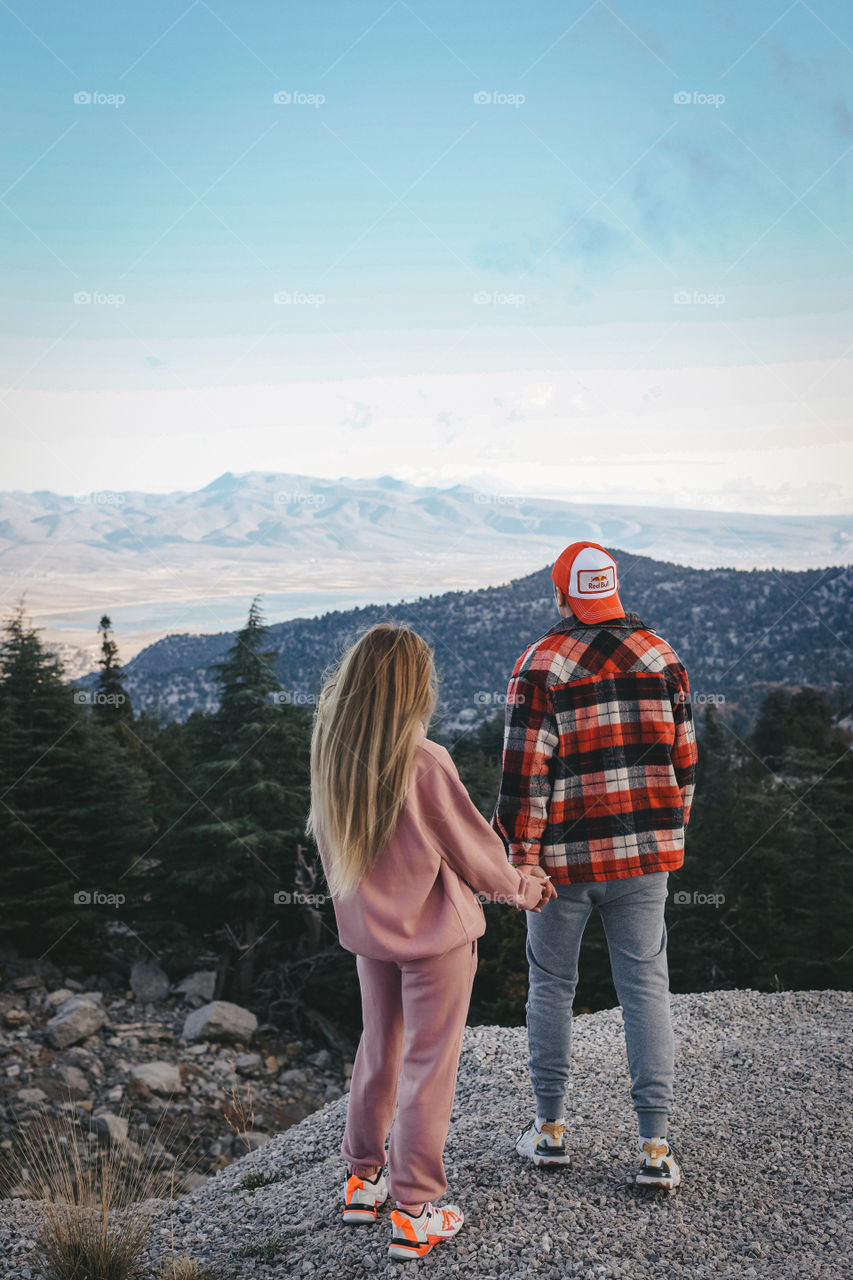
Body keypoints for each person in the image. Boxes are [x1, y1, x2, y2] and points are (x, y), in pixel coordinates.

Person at [307, 622, 550, 1261]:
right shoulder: (423, 759)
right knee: (428, 1065)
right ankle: (415, 1210)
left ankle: (363, 1179)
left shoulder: (333, 751)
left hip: (369, 934)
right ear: (413, 686)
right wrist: (523, 887)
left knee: (378, 1046)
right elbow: (475, 854)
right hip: (434, 938)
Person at [492, 541, 698, 1190]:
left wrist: (521, 860)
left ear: (560, 595)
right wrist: (668, 832)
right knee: (644, 990)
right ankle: (653, 1147)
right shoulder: (662, 657)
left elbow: (522, 778)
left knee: (552, 986)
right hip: (642, 860)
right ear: (612, 589)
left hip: (562, 866)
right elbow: (684, 764)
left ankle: (549, 1132)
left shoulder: (540, 665)